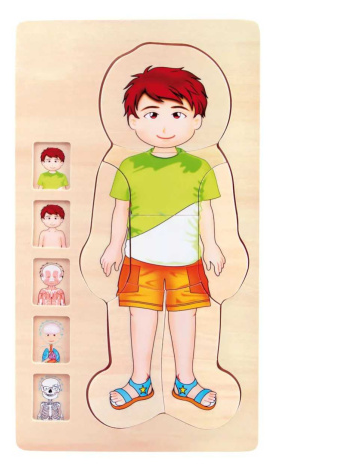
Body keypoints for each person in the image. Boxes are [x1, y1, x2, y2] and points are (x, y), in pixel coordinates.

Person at [101, 66, 225, 410]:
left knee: (185, 319)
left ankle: (185, 381)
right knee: (141, 318)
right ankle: (140, 381)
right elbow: (121, 210)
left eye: (177, 113)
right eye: (153, 114)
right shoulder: (129, 166)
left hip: (187, 259)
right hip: (139, 258)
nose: (165, 126)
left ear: (196, 120)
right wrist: (113, 246)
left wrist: (212, 246)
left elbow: (205, 211)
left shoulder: (200, 168)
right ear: (134, 121)